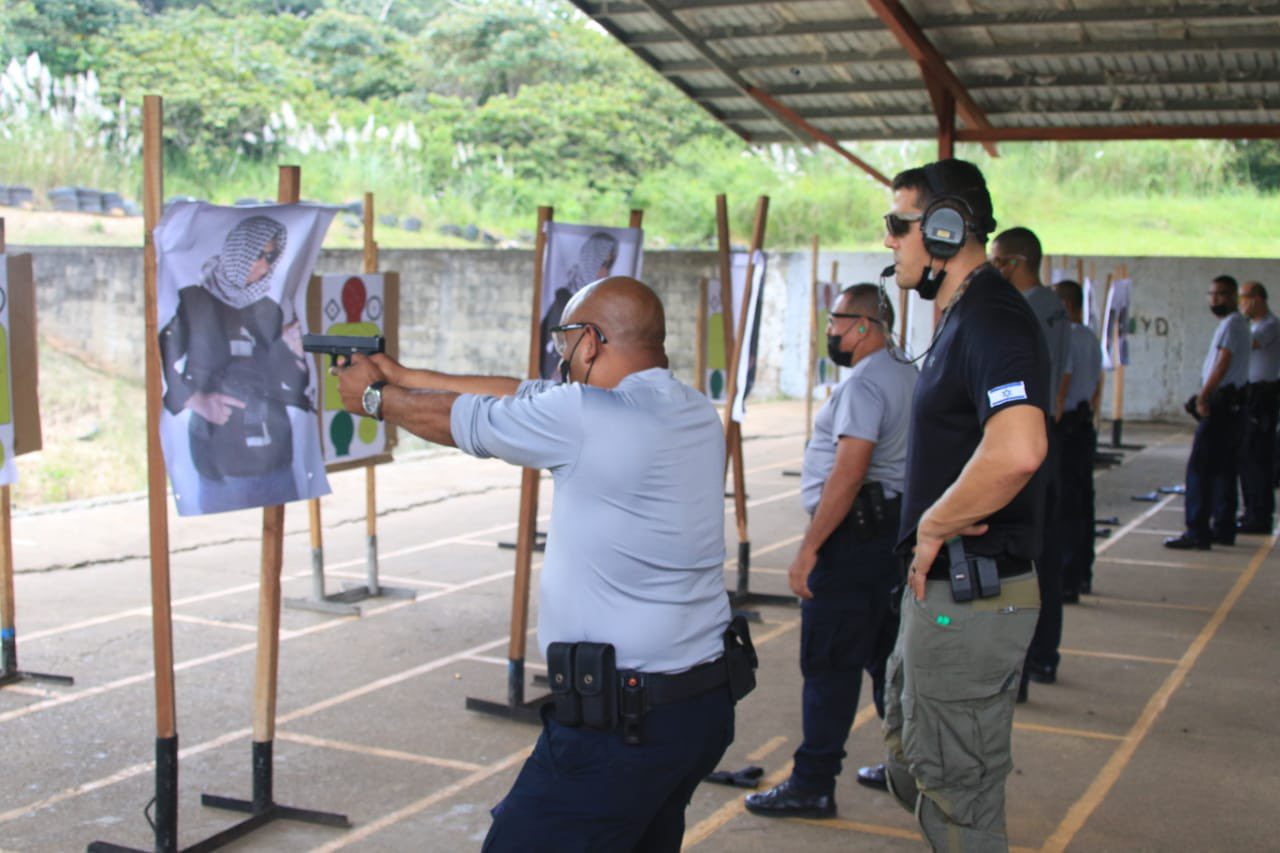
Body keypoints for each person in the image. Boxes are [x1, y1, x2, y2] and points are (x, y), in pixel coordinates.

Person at [334, 276, 745, 852]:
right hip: (696, 707)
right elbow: (522, 393)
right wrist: (403, 376)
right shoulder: (694, 409)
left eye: (566, 340)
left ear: (593, 341)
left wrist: (375, 399)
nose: (562, 356)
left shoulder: (584, 415)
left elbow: (462, 421)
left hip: (623, 723)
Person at [879, 158, 1048, 851]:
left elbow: (1018, 448)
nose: (889, 241)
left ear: (946, 227)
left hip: (972, 594)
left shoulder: (993, 318)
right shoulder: (961, 316)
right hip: (944, 592)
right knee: (911, 765)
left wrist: (936, 523)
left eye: (898, 224)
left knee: (960, 799)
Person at [743, 284, 916, 819]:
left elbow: (849, 470)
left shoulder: (865, 385)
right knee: (888, 662)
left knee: (829, 666)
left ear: (864, 325)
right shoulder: (909, 373)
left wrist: (809, 548)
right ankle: (905, 771)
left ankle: (813, 783)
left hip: (853, 544)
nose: (830, 332)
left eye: (836, 322)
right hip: (892, 540)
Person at [159, 215, 310, 513]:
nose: (264, 266)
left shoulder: (269, 309)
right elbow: (160, 358)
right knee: (223, 543)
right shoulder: (194, 302)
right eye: (258, 255)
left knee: (281, 537)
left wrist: (295, 352)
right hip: (221, 457)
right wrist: (197, 400)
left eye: (271, 257)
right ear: (238, 252)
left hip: (275, 455)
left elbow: (292, 385)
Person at [989, 227, 1069, 692]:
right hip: (1045, 436)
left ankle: (1015, 670)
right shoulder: (1056, 308)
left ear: (1015, 263)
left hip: (1022, 439)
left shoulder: (1024, 310)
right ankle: (1042, 657)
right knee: (1044, 557)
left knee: (1016, 559)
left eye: (998, 260)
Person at [1165, 275, 1251, 549]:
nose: (1215, 299)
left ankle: (1197, 530)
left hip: (1222, 405)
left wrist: (1204, 396)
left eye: (1222, 294)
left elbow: (1223, 361)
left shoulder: (1233, 324)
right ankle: (1223, 527)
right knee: (1224, 469)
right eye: (1212, 294)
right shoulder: (1237, 324)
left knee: (1200, 469)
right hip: (1232, 405)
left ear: (1234, 296)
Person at [1054, 280, 1104, 601]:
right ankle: (1082, 572)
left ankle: (1067, 579)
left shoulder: (1067, 337)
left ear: (1066, 305)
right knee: (1083, 502)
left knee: (1065, 505)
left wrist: (1051, 420)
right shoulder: (1089, 337)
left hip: (1067, 425)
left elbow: (1063, 383)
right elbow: (1097, 382)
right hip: (1084, 424)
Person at [1237, 281, 1279, 534]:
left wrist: (1240, 320)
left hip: (1263, 395)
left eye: (1244, 298)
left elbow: (1246, 345)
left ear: (1256, 299)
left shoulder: (1269, 325)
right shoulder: (1254, 326)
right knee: (1247, 457)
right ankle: (1251, 511)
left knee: (1257, 458)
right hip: (1251, 393)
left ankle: (1260, 516)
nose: (1241, 303)